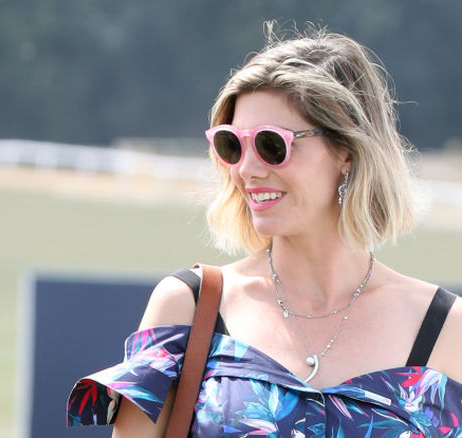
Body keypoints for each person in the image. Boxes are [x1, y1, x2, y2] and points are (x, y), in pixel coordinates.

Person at [66, 22, 462, 437]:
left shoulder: (447, 329)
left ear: (347, 150)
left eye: (272, 144)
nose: (247, 169)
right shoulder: (190, 307)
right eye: (232, 145)